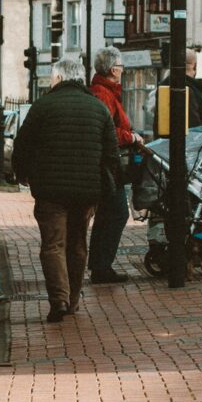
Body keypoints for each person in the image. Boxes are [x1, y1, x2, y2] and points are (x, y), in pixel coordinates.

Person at [11, 51, 123, 322]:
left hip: (50, 190)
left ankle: (58, 300)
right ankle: (72, 300)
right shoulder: (97, 108)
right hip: (86, 191)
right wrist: (105, 185)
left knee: (53, 244)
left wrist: (23, 174)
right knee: (77, 245)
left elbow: (22, 145)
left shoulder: (43, 106)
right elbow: (112, 154)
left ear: (59, 77)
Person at [88, 45, 141, 284]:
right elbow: (107, 130)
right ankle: (101, 267)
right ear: (112, 69)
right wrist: (131, 137)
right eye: (120, 66)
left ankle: (99, 265)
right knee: (117, 212)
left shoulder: (108, 91)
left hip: (108, 162)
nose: (123, 70)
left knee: (107, 214)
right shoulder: (103, 93)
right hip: (108, 164)